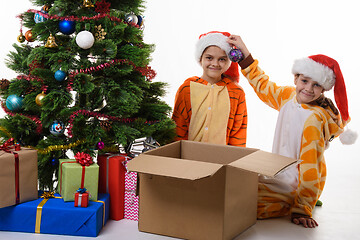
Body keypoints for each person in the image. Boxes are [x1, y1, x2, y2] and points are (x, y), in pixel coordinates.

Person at [227, 35, 356, 228]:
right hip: (276, 174)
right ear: (296, 78)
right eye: (304, 81)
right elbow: (264, 86)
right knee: (233, 187)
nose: (308, 89)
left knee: (242, 205)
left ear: (324, 89)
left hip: (294, 185)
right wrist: (246, 55)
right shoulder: (288, 96)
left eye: (316, 85)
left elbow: (311, 165)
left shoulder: (314, 119)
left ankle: (297, 201)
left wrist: (303, 207)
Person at [172, 31, 247, 146]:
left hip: (221, 160)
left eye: (222, 59)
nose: (215, 63)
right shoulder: (187, 89)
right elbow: (178, 129)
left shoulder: (236, 93)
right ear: (200, 58)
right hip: (189, 159)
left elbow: (238, 134)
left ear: (229, 62)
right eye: (209, 58)